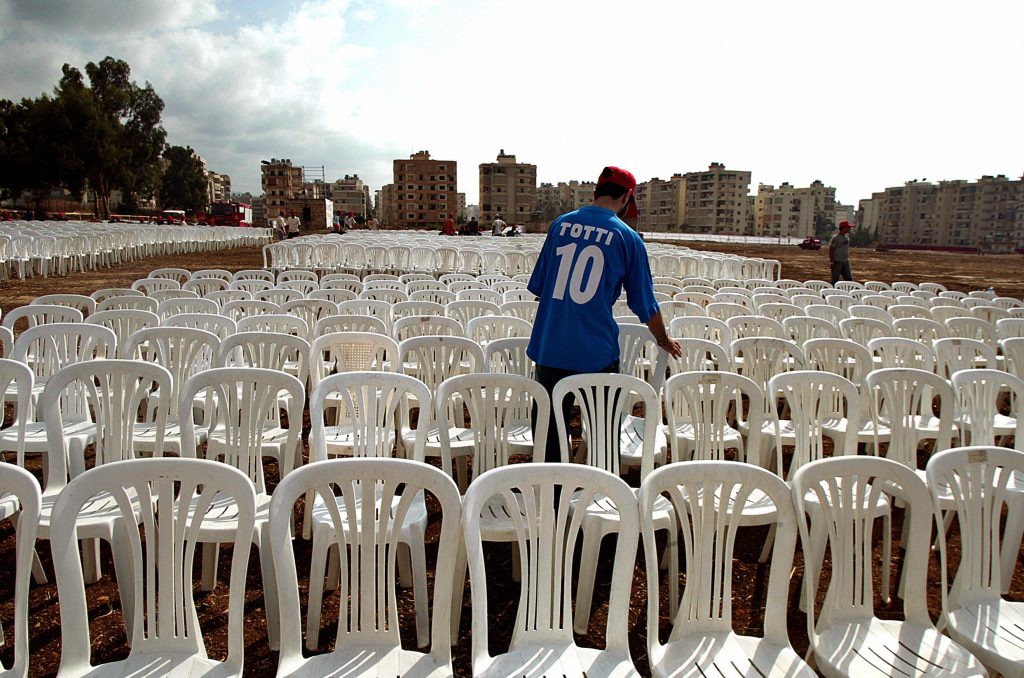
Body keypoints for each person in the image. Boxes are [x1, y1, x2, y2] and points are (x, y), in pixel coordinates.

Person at [527, 166, 682, 463]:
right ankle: (598, 493)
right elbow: (644, 303)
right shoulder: (627, 237)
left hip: (549, 346)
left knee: (548, 434)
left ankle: (553, 497)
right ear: (626, 197)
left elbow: (540, 287)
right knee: (602, 431)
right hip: (595, 352)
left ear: (596, 192)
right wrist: (662, 339)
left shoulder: (560, 225)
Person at [829, 220, 854, 284]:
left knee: (849, 279)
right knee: (835, 280)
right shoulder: (836, 238)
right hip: (837, 262)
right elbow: (831, 249)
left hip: (845, 261)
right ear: (843, 228)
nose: (849, 229)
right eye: (848, 227)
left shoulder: (846, 237)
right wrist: (831, 261)